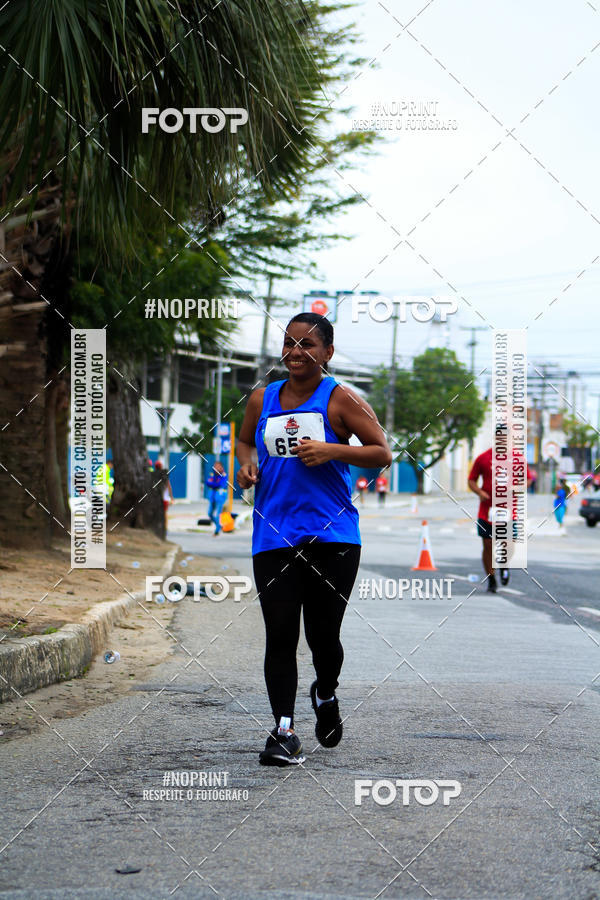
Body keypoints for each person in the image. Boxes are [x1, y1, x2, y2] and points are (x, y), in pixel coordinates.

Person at [236, 312, 392, 767]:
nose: (295, 352)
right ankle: (283, 731)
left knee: (324, 637)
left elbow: (380, 452)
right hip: (274, 535)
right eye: (288, 343)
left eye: (306, 344)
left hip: (333, 537)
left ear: (327, 352)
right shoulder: (262, 398)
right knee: (280, 636)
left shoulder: (341, 399)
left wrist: (332, 450)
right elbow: (245, 442)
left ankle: (325, 692)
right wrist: (246, 466)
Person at [468, 447, 533, 593]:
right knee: (488, 544)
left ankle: (504, 564)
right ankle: (491, 579)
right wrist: (479, 492)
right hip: (487, 510)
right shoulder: (483, 457)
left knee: (508, 544)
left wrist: (517, 487)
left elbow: (528, 479)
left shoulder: (518, 458)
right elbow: (471, 480)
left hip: (508, 511)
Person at [206, 461, 228, 536]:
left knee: (218, 513)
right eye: (215, 466)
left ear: (221, 467)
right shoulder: (212, 474)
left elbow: (220, 484)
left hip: (220, 495)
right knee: (209, 513)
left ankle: (217, 530)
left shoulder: (224, 475)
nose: (216, 468)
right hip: (212, 495)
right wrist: (214, 484)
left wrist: (213, 484)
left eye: (218, 466)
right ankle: (219, 525)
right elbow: (207, 482)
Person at [154, 461, 173, 527]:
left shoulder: (155, 476)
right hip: (165, 498)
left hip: (158, 498)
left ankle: (160, 526)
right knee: (164, 513)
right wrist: (172, 498)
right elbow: (169, 487)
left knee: (158, 513)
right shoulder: (163, 476)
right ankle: (165, 526)